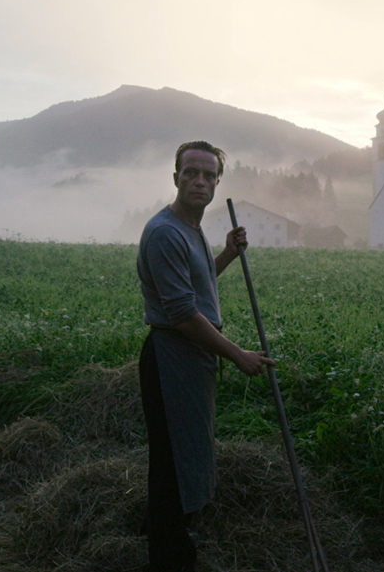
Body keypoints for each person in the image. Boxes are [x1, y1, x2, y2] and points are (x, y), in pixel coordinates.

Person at [136, 140, 275, 572]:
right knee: (175, 461)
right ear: (175, 176)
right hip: (172, 354)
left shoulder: (191, 229)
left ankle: (175, 535)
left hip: (191, 356)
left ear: (218, 181)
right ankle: (171, 557)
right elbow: (181, 313)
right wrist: (238, 355)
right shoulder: (165, 232)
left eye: (208, 175)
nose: (200, 181)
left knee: (188, 453)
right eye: (191, 172)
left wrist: (228, 255)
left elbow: (195, 287)